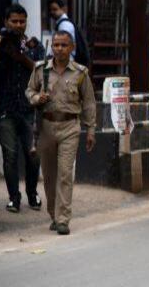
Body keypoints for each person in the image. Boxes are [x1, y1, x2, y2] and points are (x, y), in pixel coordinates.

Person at [26, 31, 96, 235]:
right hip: (46, 127)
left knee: (65, 174)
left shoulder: (80, 73)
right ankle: (53, 214)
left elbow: (89, 103)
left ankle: (63, 218)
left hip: (70, 127)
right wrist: (37, 98)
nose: (59, 49)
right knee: (49, 176)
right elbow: (29, 90)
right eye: (56, 45)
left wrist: (91, 129)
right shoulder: (40, 69)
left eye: (64, 45)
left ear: (71, 48)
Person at [0, 4, 45, 213]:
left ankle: (32, 194)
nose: (18, 25)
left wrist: (20, 56)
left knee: (33, 155)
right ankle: (14, 197)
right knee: (10, 154)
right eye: (13, 21)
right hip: (4, 109)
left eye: (21, 21)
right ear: (6, 22)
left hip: (28, 108)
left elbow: (40, 70)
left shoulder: (33, 45)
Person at [48, 0, 90, 67]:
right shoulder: (63, 23)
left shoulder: (64, 25)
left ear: (63, 9)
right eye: (50, 10)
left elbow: (63, 47)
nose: (52, 12)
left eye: (55, 9)